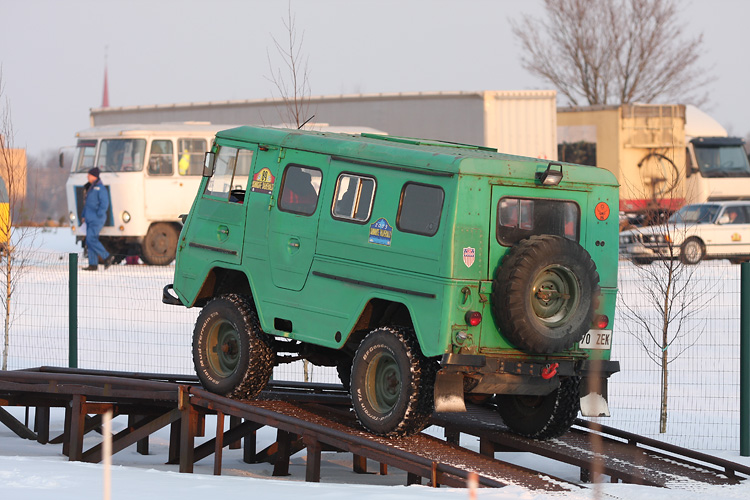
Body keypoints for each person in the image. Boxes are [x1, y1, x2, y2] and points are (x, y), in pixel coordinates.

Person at [81, 167, 114, 271]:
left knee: (91, 239)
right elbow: (87, 204)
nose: (87, 176)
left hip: (96, 218)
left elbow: (104, 203)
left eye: (89, 174)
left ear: (94, 176)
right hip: (89, 218)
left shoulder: (100, 188)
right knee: (89, 240)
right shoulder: (91, 188)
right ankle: (93, 264)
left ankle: (107, 256)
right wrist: (83, 215)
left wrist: (98, 214)